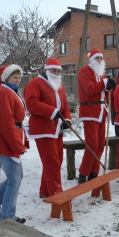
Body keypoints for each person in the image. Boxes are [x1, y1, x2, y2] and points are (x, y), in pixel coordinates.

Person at [0, 64, 28, 223]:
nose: (17, 80)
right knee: (15, 178)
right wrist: (16, 144)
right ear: (6, 78)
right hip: (5, 140)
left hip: (8, 137)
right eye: (14, 77)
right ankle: (7, 216)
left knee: (16, 177)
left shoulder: (9, 91)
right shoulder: (3, 93)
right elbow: (5, 123)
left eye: (19, 78)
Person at [24, 58, 72, 198]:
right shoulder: (35, 83)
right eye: (53, 70)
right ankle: (56, 193)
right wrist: (51, 111)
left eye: (58, 71)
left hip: (57, 129)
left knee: (56, 160)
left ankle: (44, 191)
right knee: (52, 163)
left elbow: (65, 105)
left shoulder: (60, 86)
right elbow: (31, 103)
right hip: (43, 129)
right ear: (46, 70)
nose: (56, 73)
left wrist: (67, 118)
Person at [77, 47, 116, 184]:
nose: (99, 60)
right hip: (90, 111)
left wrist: (108, 88)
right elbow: (90, 89)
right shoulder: (85, 71)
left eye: (101, 58)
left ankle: (94, 173)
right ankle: (83, 173)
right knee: (92, 144)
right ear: (91, 60)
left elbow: (102, 91)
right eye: (97, 58)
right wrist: (104, 83)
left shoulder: (102, 74)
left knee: (100, 145)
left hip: (101, 111)